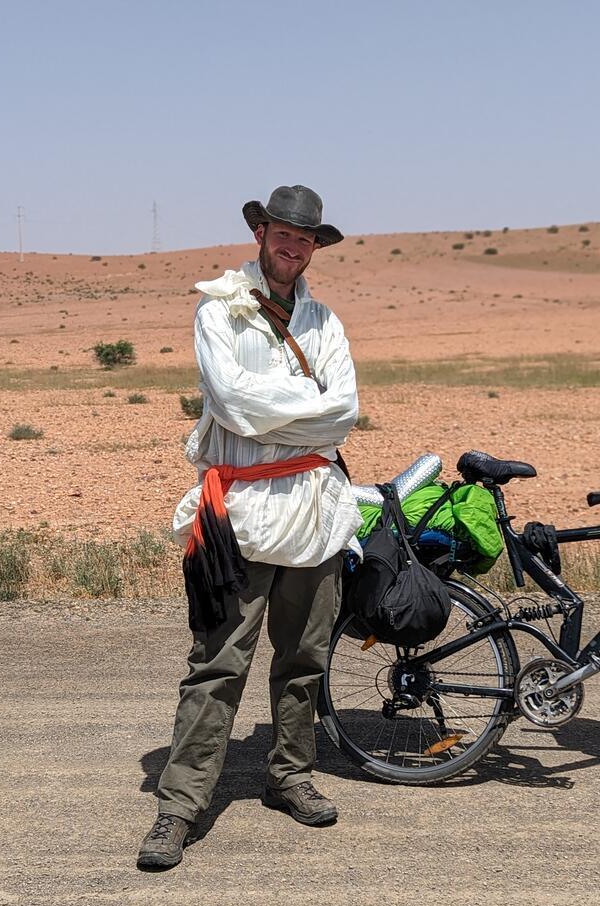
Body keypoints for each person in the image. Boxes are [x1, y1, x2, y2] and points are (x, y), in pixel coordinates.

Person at [138, 185, 362, 869]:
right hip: (239, 512)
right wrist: (306, 403)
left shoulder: (326, 322)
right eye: (282, 233)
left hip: (315, 510)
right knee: (217, 663)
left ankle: (290, 774)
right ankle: (178, 806)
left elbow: (345, 411)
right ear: (261, 233)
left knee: (304, 658)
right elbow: (231, 406)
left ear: (314, 246)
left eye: (305, 237)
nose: (292, 245)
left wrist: (291, 410)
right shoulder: (219, 312)